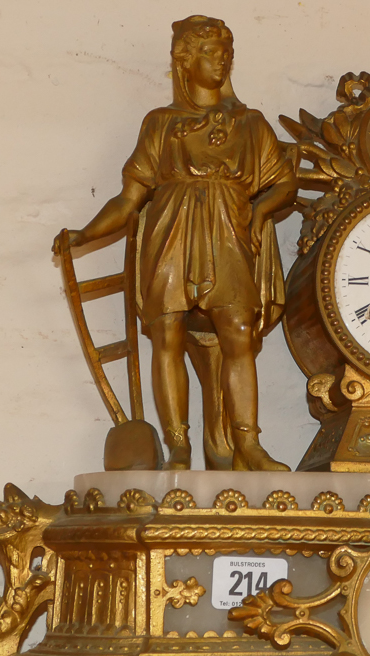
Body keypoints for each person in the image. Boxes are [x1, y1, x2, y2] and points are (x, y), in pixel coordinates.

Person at [53, 16, 295, 471]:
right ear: (184, 62)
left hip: (228, 232)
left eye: (226, 52)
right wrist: (84, 234)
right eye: (209, 52)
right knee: (166, 335)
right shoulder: (160, 125)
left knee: (239, 336)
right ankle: (178, 447)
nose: (221, 59)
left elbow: (284, 183)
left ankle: (249, 445)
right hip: (171, 232)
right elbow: (128, 200)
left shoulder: (250, 124)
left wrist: (259, 213)